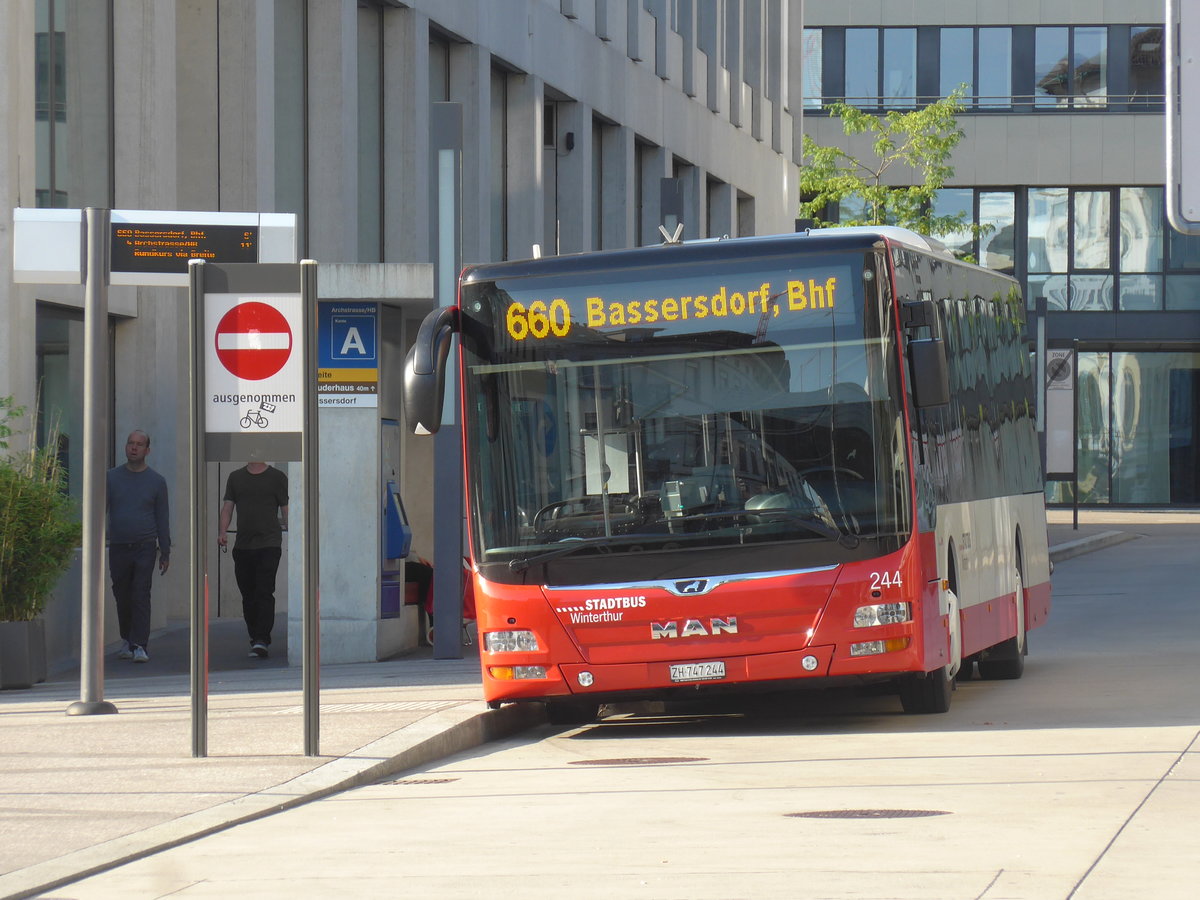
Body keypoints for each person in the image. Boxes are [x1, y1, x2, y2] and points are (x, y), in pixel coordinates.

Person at [106, 430, 170, 664]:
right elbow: (100, 510)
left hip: (145, 545)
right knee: (122, 593)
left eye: (139, 444)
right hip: (119, 545)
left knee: (140, 593)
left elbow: (162, 517)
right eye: (130, 443)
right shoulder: (111, 478)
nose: (134, 447)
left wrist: (165, 550)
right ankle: (127, 639)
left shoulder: (156, 481)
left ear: (147, 450)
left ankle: (140, 644)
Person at [218, 461, 288, 658]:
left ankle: (262, 639)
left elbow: (286, 508)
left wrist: (295, 532)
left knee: (264, 591)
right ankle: (255, 636)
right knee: (248, 594)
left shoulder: (277, 477)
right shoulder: (235, 477)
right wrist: (222, 532)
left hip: (269, 543)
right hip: (243, 545)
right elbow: (227, 508)